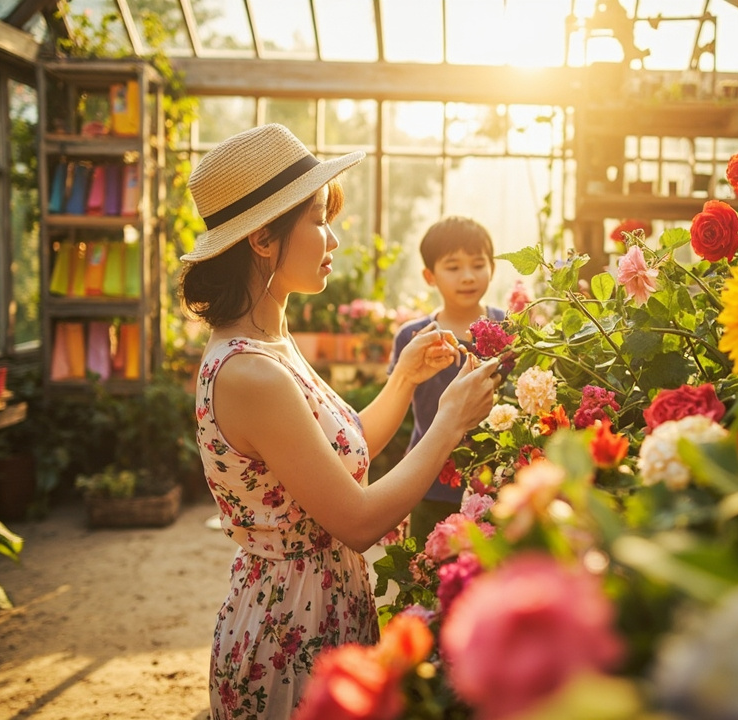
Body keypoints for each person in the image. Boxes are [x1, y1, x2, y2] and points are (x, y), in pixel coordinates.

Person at [178, 124, 500, 718]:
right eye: (317, 220)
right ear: (263, 239)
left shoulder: (271, 341)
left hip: (321, 606)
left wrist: (403, 380)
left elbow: (338, 457)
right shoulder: (250, 373)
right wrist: (449, 421)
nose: (332, 238)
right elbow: (357, 520)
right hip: (288, 634)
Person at [388, 216, 505, 541]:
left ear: (492, 268)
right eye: (453, 267)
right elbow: (395, 401)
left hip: (496, 480)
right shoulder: (414, 337)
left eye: (478, 265)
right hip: (428, 482)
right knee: (425, 563)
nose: (467, 276)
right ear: (430, 276)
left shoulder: (509, 328)